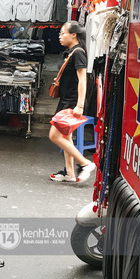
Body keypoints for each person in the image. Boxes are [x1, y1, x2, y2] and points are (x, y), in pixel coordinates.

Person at [48, 21, 96, 182]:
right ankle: (69, 172)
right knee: (65, 136)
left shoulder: (78, 53)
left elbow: (83, 80)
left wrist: (80, 105)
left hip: (72, 101)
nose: (60, 36)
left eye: (63, 33)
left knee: (54, 136)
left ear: (73, 34)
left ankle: (85, 163)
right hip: (66, 99)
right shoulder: (71, 52)